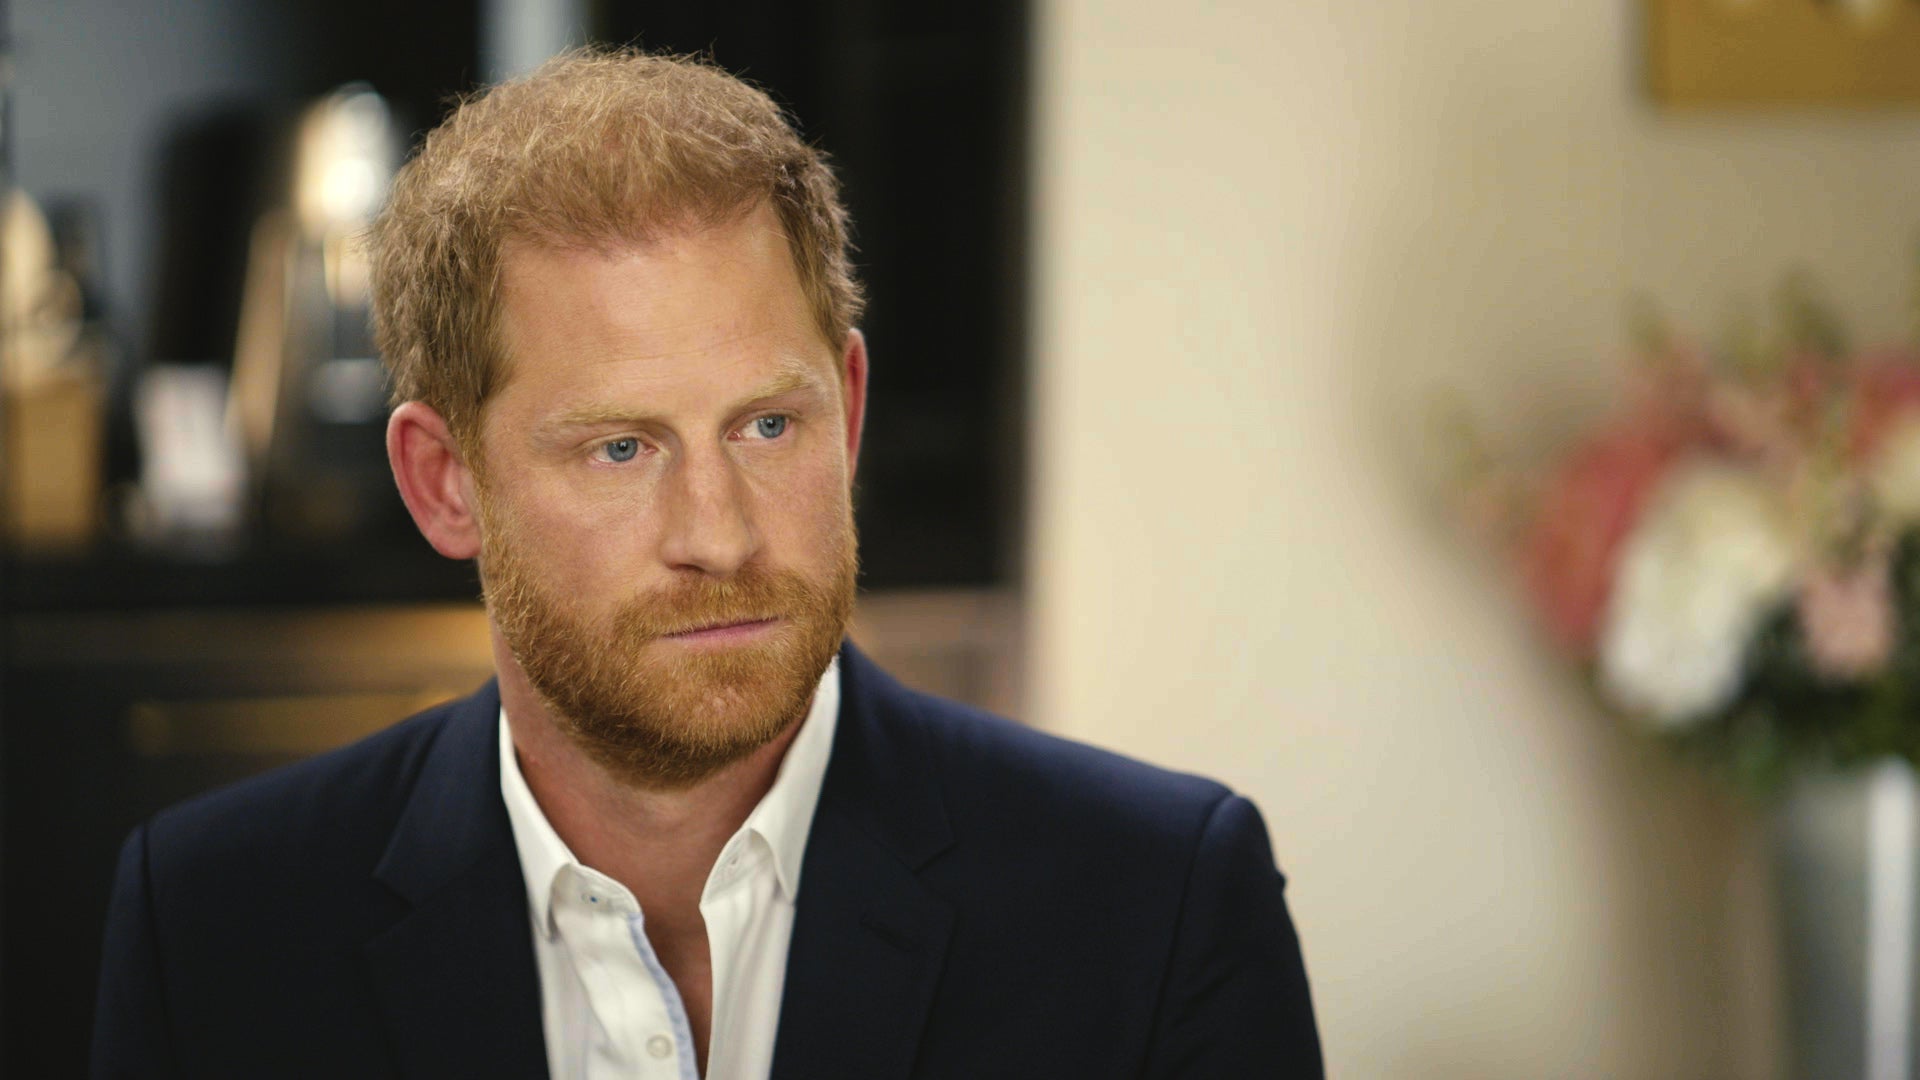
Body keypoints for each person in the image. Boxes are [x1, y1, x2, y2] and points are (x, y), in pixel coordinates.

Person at [91, 48, 1321, 1079]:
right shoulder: (213, 928)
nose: (720, 535)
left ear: (847, 403)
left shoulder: (1155, 908)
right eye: (622, 449)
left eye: (767, 426)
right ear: (442, 482)